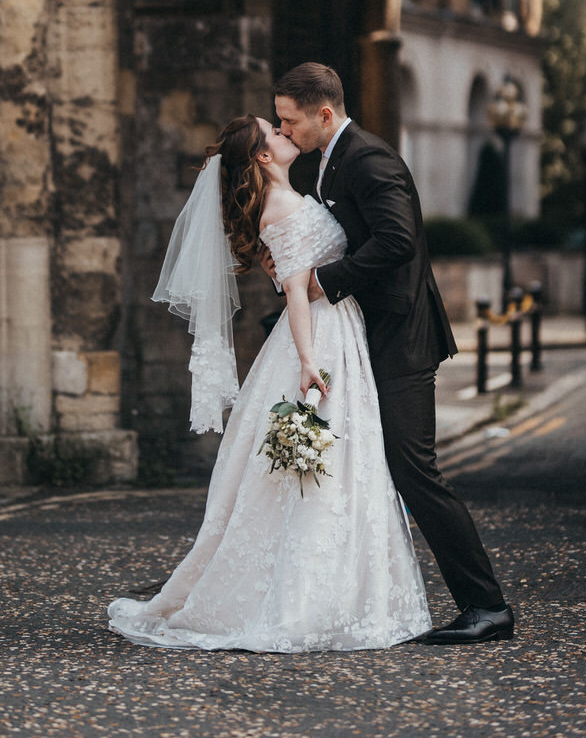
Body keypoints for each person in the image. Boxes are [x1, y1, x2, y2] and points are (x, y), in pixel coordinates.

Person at [108, 114, 431, 652]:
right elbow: (298, 294)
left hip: (337, 328)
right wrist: (308, 361)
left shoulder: (287, 199)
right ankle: (306, 599)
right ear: (262, 157)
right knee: (325, 466)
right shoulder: (280, 206)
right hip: (320, 336)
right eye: (274, 132)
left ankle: (329, 591)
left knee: (334, 464)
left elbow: (288, 274)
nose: (285, 134)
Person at [271, 62, 514, 644]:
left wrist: (324, 282)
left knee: (414, 468)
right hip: (370, 334)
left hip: (402, 335)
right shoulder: (331, 161)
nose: (285, 132)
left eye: (290, 120)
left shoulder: (368, 158)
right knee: (377, 467)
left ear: (323, 114)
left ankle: (487, 607)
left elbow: (397, 241)